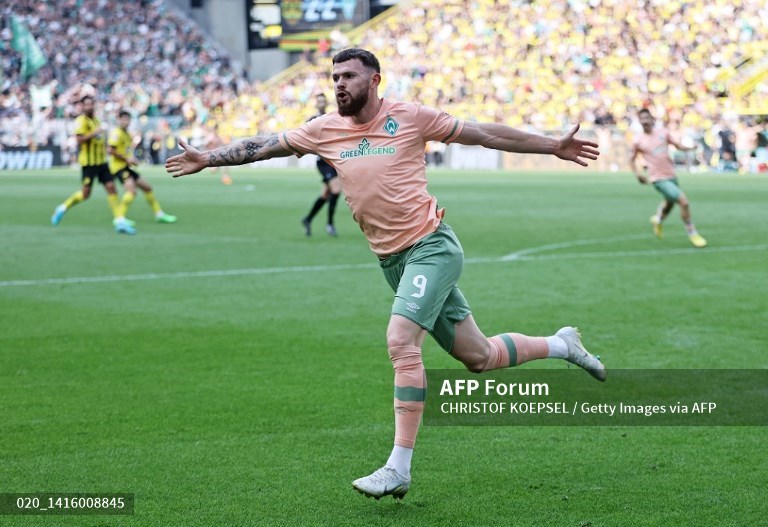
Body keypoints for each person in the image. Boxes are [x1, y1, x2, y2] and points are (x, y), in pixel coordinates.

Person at [166, 48, 605, 501]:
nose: (339, 84)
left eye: (349, 76)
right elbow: (261, 146)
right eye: (334, 76)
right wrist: (209, 158)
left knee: (400, 341)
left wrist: (552, 144)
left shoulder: (411, 117)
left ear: (374, 80)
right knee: (479, 356)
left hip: (431, 247)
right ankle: (562, 344)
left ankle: (398, 467)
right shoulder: (323, 130)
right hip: (393, 263)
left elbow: (484, 134)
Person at [51, 95, 135, 234]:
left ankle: (119, 221)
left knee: (112, 188)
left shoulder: (96, 120)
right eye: (87, 104)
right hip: (89, 164)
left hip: (102, 162)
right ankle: (62, 208)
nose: (90, 106)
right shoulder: (81, 121)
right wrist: (94, 133)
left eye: (91, 104)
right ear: (82, 106)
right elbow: (79, 140)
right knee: (85, 194)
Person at [630, 108, 707, 248]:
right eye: (642, 119)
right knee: (683, 202)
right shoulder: (638, 140)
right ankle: (692, 233)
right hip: (657, 179)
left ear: (652, 119)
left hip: (671, 175)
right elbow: (631, 159)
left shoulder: (663, 133)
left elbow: (677, 145)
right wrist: (638, 175)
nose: (645, 121)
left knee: (670, 202)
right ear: (639, 121)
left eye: (647, 118)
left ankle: (658, 219)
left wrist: (690, 148)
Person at [108, 110, 177, 225]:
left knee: (147, 187)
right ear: (118, 120)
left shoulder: (126, 133)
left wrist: (131, 159)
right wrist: (127, 159)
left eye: (128, 119)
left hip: (126, 166)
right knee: (132, 192)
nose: (126, 122)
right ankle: (119, 219)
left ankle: (159, 214)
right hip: (118, 168)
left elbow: (126, 150)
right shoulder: (117, 132)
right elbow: (110, 149)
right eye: (124, 119)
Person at [301, 93, 342, 237]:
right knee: (336, 190)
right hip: (323, 162)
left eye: (323, 100)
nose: (322, 103)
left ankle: (308, 219)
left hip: (333, 161)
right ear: (316, 103)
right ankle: (330, 224)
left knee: (325, 195)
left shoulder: (331, 117)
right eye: (319, 101)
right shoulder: (312, 120)